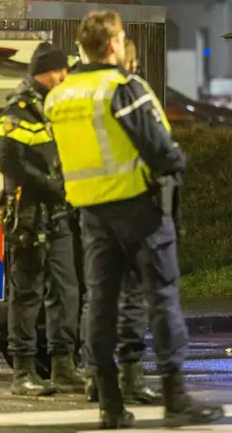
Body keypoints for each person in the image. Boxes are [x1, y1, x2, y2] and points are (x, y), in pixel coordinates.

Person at [44, 10, 223, 429]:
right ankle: (175, 400)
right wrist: (179, 162)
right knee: (161, 298)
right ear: (112, 45)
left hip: (91, 215)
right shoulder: (119, 87)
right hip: (139, 210)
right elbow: (160, 149)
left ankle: (109, 405)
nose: (124, 46)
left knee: (99, 307)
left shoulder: (61, 96)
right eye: (122, 38)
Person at [0, 42, 85, 396]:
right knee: (27, 295)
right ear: (49, 71)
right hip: (29, 218)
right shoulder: (20, 107)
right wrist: (48, 186)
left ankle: (64, 367)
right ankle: (23, 373)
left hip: (58, 216)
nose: (65, 76)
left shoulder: (55, 106)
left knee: (67, 291)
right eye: (61, 71)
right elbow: (7, 161)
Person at [80, 38, 161, 406]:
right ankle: (129, 374)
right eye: (136, 61)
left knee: (97, 299)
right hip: (128, 209)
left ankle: (97, 377)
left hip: (92, 209)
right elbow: (156, 149)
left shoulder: (80, 97)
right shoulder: (129, 95)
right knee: (131, 298)